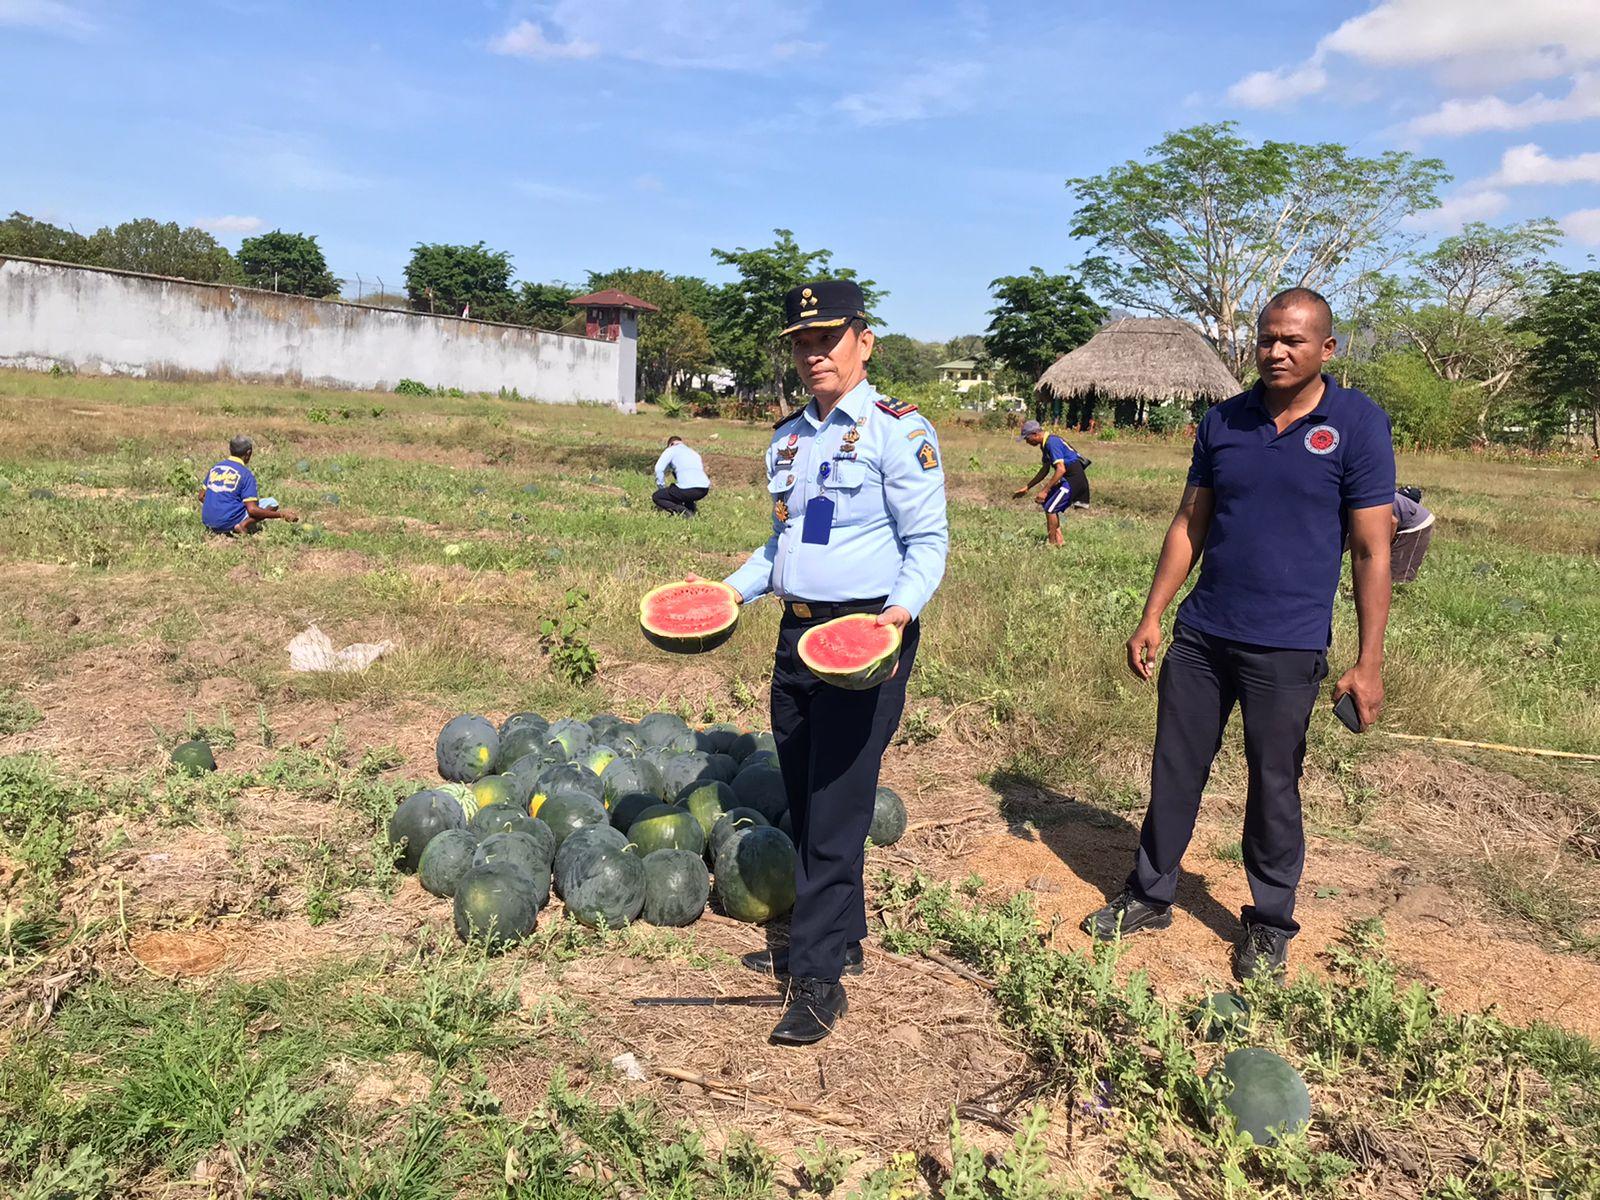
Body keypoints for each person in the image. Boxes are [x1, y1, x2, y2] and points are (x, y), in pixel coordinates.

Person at [1082, 288, 1395, 982]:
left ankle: (1270, 921)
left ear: (1327, 349)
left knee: (1274, 785)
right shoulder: (1223, 420)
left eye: (1294, 341)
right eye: (1267, 339)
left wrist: (1368, 661)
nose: (1278, 352)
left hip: (1287, 645)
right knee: (1174, 768)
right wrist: (1153, 612)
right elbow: (1190, 523)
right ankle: (1149, 893)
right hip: (1203, 633)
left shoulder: (1357, 425)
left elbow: (1374, 550)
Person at [717, 279, 948, 1046]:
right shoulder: (786, 439)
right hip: (796, 636)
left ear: (863, 340)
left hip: (868, 638)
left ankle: (816, 980)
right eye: (802, 343)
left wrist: (897, 614)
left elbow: (928, 544)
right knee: (809, 797)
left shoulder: (896, 431)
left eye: (828, 339)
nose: (814, 354)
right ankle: (842, 931)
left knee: (840, 804)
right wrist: (729, 592)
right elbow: (780, 547)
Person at [199, 436, 297, 535]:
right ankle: (243, 525)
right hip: (227, 523)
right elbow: (253, 510)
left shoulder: (216, 468)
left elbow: (201, 496)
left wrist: (216, 506)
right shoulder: (246, 474)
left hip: (208, 522)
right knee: (272, 502)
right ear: (248, 453)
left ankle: (218, 520)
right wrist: (281, 514)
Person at [1014, 419, 1090, 547]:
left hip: (1073, 479)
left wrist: (1045, 491)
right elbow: (1045, 469)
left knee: (1050, 508)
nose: (1027, 442)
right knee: (1048, 503)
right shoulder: (1045, 444)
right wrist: (1027, 487)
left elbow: (1061, 469)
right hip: (1068, 478)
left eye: (1027, 438)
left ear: (1035, 434)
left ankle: (1052, 544)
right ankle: (1059, 541)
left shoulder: (1051, 443)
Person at [651, 435, 711, 516]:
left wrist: (661, 487)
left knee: (657, 496)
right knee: (684, 492)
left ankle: (683, 512)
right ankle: (691, 510)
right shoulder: (694, 453)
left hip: (687, 489)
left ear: (671, 444)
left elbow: (659, 469)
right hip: (704, 489)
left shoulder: (671, 450)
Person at [1390, 487, 1434, 584]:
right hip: (1403, 519)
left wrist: (1385, 545)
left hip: (1416, 524)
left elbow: (1393, 521)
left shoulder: (1373, 501)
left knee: (1398, 573)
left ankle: (1399, 595)